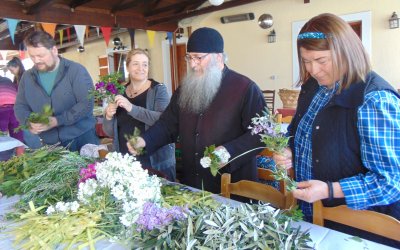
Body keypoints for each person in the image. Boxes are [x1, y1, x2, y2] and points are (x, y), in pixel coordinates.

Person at [273, 13, 400, 246]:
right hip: (313, 215)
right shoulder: (313, 87)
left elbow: (390, 182)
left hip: (359, 228)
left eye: (321, 61)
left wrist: (329, 190)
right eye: (306, 61)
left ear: (346, 52)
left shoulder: (374, 99)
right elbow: (296, 130)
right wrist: (289, 150)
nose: (313, 70)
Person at [127, 27, 266, 194]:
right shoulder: (185, 89)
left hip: (233, 187)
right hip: (193, 184)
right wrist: (145, 141)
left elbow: (261, 135)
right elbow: (167, 125)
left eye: (198, 58)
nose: (192, 64)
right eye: (190, 57)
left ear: (218, 57)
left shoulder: (245, 88)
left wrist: (229, 151)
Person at [14, 31, 99, 152]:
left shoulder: (75, 70)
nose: (36, 60)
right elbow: (20, 106)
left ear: (54, 50)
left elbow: (87, 103)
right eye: (32, 56)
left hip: (82, 139)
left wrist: (58, 120)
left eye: (41, 55)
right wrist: (28, 122)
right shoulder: (27, 77)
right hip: (50, 144)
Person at [102, 49, 176, 181]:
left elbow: (164, 122)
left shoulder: (159, 90)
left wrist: (131, 108)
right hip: (126, 161)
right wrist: (108, 116)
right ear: (128, 67)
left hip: (153, 161)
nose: (141, 68)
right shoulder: (120, 92)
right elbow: (110, 132)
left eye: (145, 64)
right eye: (136, 64)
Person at [7, 56, 42, 149]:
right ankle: (32, 150)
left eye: (12, 70)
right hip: (22, 109)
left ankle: (36, 150)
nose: (11, 72)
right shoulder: (16, 78)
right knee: (25, 132)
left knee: (29, 131)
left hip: (29, 109)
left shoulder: (26, 76)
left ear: (17, 66)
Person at [0, 75, 24, 160]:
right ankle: (21, 158)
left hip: (2, 109)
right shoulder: (7, 79)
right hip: (16, 109)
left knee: (2, 135)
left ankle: (3, 159)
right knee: (18, 134)